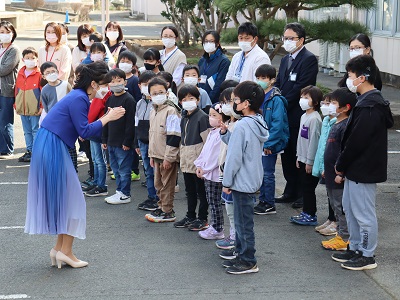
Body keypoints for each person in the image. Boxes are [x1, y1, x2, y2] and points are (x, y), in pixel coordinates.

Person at [24, 61, 126, 269]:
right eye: (105, 84)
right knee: (73, 201)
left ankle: (59, 249)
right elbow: (85, 132)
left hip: (50, 143)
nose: (107, 88)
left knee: (65, 199)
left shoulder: (78, 97)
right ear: (95, 84)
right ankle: (66, 252)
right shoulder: (79, 99)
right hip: (53, 145)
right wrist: (108, 117)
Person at [332, 55, 393, 271]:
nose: (348, 79)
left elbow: (357, 141)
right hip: (356, 168)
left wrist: (341, 163)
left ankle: (367, 255)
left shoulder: (371, 105)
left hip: (364, 168)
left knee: (364, 214)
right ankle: (356, 248)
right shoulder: (365, 102)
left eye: (350, 75)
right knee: (351, 209)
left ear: (362, 77)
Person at [220, 81, 269, 275]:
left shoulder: (242, 126)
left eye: (237, 100)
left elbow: (234, 156)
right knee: (242, 221)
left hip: (240, 181)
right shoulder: (258, 121)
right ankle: (241, 253)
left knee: (243, 223)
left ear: (246, 103)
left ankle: (248, 260)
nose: (234, 104)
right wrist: (225, 134)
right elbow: (238, 146)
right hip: (251, 178)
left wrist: (227, 181)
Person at [274, 22, 319, 208]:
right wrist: (275, 96)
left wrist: (282, 100)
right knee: (287, 154)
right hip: (284, 113)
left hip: (298, 113)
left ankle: (302, 193)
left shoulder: (309, 59)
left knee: (300, 153)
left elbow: (303, 85)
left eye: (291, 38)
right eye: (285, 38)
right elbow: (279, 81)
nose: (287, 41)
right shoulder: (285, 59)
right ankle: (290, 190)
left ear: (301, 40)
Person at [320, 88, 357, 250]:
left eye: (334, 103)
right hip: (329, 173)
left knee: (341, 207)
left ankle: (344, 238)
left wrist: (341, 173)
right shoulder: (335, 122)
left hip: (338, 175)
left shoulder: (345, 126)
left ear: (345, 107)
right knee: (335, 206)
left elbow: (344, 152)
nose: (330, 106)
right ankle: (340, 234)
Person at [253, 64, 289, 215]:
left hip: (269, 143)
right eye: (258, 78)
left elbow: (277, 125)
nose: (260, 80)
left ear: (272, 80)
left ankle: (269, 203)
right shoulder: (258, 96)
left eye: (264, 78)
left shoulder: (276, 99)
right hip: (259, 141)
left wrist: (269, 144)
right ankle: (262, 200)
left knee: (268, 173)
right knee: (260, 172)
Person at [174, 84, 210, 230]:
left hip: (198, 161)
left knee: (201, 192)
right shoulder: (183, 117)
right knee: (190, 191)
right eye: (184, 99)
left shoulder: (202, 117)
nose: (188, 101)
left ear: (198, 99)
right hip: (186, 159)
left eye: (191, 98)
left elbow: (207, 142)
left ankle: (202, 218)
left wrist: (204, 163)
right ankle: (190, 215)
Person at [145, 77, 181, 222]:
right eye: (154, 93)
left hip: (167, 156)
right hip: (157, 154)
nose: (158, 95)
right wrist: (151, 155)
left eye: (161, 92)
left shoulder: (171, 111)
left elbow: (173, 136)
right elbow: (152, 134)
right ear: (150, 95)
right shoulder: (153, 110)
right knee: (158, 184)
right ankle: (161, 206)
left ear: (167, 92)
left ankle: (168, 210)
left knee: (167, 184)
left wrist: (169, 157)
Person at [102, 69, 136, 205]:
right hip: (111, 141)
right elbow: (105, 120)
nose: (116, 83)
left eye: (119, 80)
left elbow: (131, 123)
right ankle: (119, 191)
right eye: (112, 81)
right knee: (115, 169)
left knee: (124, 169)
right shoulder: (110, 99)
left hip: (123, 142)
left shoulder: (129, 99)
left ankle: (125, 193)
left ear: (125, 81)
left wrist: (127, 141)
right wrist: (104, 139)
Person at [195, 102, 228, 240]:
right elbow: (205, 152)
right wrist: (199, 165)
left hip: (214, 175)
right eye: (210, 115)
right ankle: (214, 225)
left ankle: (218, 229)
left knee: (215, 202)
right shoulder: (212, 132)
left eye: (214, 115)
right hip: (207, 173)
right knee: (211, 201)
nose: (211, 118)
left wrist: (205, 169)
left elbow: (216, 157)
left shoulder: (221, 135)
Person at [290, 86, 322, 225]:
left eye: (307, 97)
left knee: (309, 188)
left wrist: (309, 161)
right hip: (302, 158)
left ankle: (311, 214)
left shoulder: (315, 119)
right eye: (302, 97)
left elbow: (314, 142)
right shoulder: (304, 116)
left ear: (315, 102)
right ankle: (306, 212)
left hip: (310, 160)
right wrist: (298, 156)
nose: (302, 100)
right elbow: (300, 139)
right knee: (304, 187)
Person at [215, 85, 240, 251]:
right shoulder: (229, 123)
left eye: (230, 101)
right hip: (225, 171)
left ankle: (235, 238)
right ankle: (233, 236)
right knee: (229, 209)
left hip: (232, 173)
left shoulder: (239, 125)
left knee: (234, 210)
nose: (226, 105)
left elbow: (236, 150)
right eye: (224, 102)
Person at [312, 93, 338, 235]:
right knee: (329, 194)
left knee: (335, 196)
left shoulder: (338, 123)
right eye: (325, 103)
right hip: (324, 164)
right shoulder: (327, 121)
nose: (326, 106)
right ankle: (330, 218)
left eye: (330, 103)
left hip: (332, 166)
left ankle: (336, 222)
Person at [134, 71, 158, 211]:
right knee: (148, 171)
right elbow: (136, 123)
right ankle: (151, 197)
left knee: (157, 172)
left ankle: (159, 198)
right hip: (143, 141)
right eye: (145, 84)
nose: (147, 87)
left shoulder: (158, 103)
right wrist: (136, 142)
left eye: (150, 84)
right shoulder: (139, 103)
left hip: (155, 142)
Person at [84, 79, 112, 197]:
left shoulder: (102, 96)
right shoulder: (104, 94)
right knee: (96, 159)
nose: (103, 87)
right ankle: (96, 182)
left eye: (105, 84)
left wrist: (84, 129)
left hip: (97, 130)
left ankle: (101, 185)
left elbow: (92, 114)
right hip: (95, 129)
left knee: (99, 160)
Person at [14, 47, 42, 163]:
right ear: (23, 59)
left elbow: (42, 92)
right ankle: (29, 150)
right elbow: (17, 90)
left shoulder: (39, 74)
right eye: (27, 58)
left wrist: (41, 106)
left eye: (33, 58)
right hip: (23, 108)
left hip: (34, 108)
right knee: (26, 131)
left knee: (35, 129)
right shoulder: (20, 73)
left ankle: (36, 151)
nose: (30, 60)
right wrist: (16, 104)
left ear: (37, 60)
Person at [0, 21, 20, 159]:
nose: (5, 35)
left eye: (8, 32)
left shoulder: (14, 50)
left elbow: (4, 69)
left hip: (6, 90)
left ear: (13, 33)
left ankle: (7, 149)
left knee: (5, 121)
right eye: (1, 32)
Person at [198, 30, 230, 103]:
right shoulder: (202, 61)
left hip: (214, 102)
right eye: (206, 41)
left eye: (211, 41)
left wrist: (208, 101)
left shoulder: (224, 61)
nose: (208, 43)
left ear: (218, 43)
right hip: (200, 99)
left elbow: (219, 85)